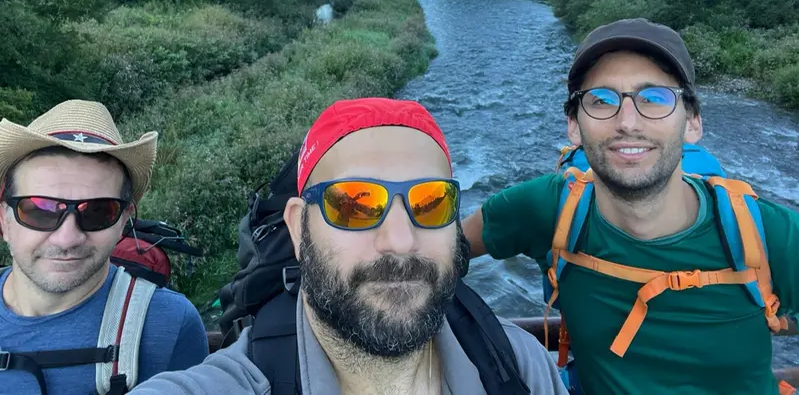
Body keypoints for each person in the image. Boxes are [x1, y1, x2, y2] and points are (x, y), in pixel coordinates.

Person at [127, 97, 569, 394]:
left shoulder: (518, 364)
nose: (399, 241)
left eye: (431, 203)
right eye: (356, 205)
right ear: (300, 228)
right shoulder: (237, 383)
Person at [461, 17, 799, 395]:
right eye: (601, 100)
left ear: (692, 122)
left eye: (654, 97)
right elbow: (434, 252)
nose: (627, 121)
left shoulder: (767, 233)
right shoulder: (548, 209)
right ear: (574, 125)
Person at [0, 100, 209, 394]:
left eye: (98, 212)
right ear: (4, 219)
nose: (67, 238)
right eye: (40, 210)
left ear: (124, 221)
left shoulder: (169, 326)